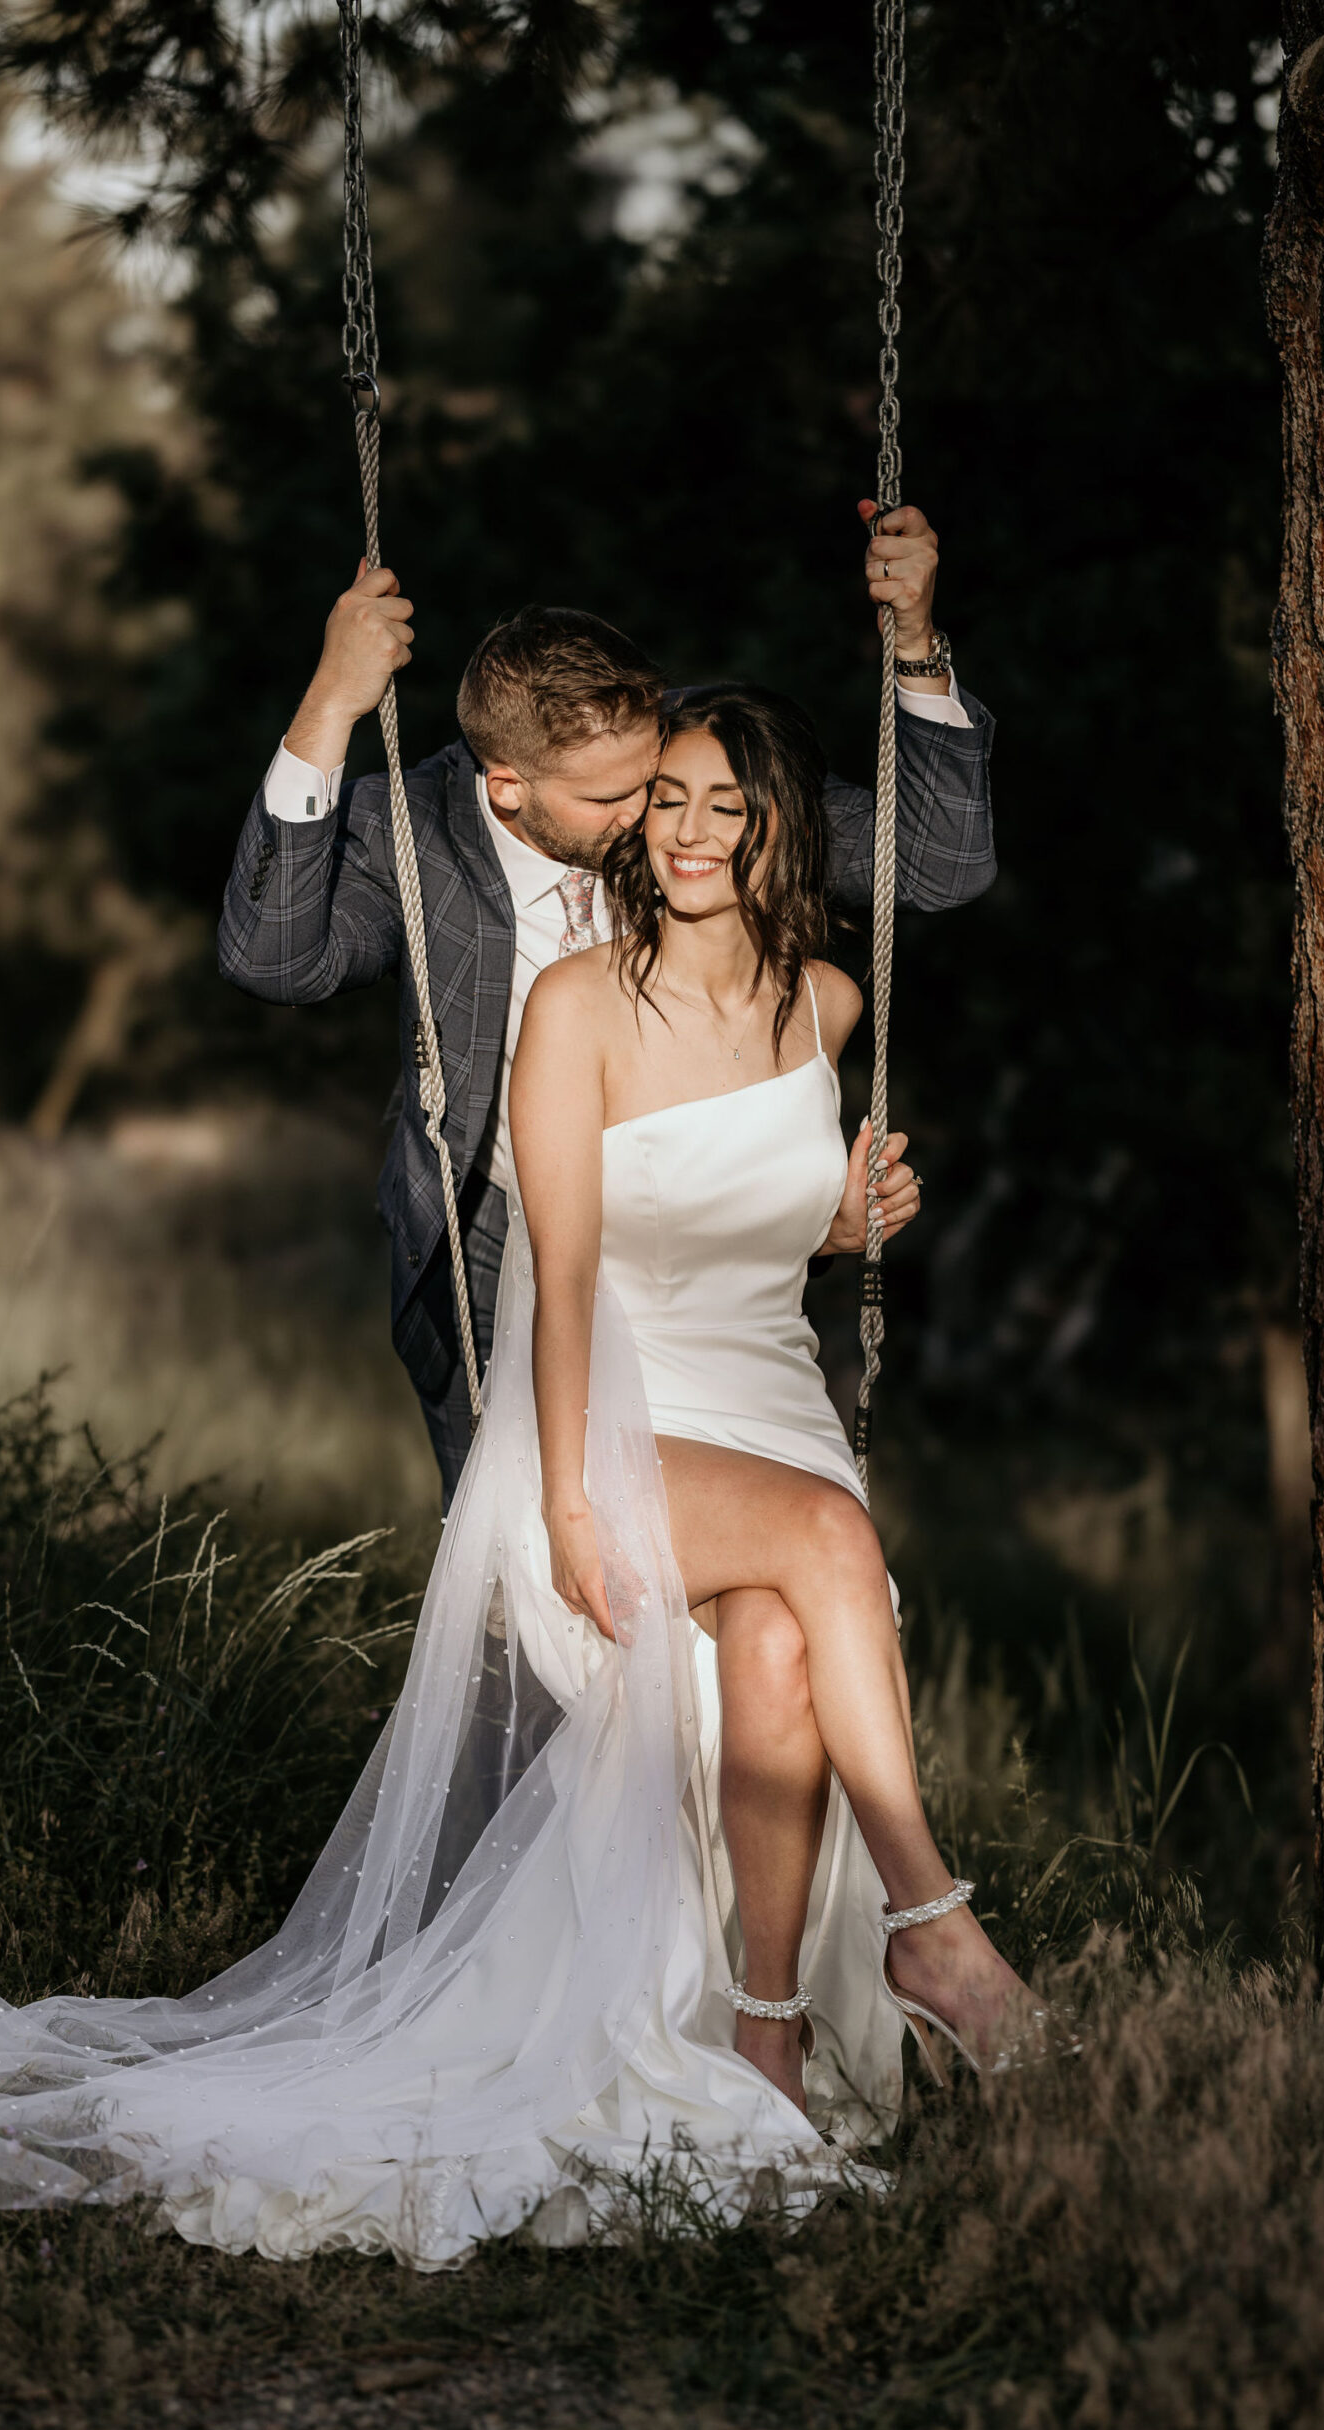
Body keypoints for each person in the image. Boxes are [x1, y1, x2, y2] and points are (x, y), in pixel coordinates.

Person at [0, 669, 1034, 2274]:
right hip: (604, 1417)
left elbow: (745, 1195)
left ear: (778, 832)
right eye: (665, 798)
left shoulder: (828, 1005)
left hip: (772, 1396)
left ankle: (768, 2042)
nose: (687, 830)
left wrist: (833, 1222)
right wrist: (574, 1503)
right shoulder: (580, 1004)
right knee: (819, 1536)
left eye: (726, 807)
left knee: (792, 1640)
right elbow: (574, 1272)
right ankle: (936, 1928)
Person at [218, 510, 991, 2092]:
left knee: (760, 1644)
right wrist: (328, 692)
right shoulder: (421, 836)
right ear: (509, 787)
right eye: (620, 798)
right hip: (509, 1289)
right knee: (574, 1668)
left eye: (671, 784)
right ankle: (579, 2015)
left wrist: (917, 640)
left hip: (722, 1324)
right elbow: (274, 954)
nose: (663, 824)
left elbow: (946, 864)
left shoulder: (696, 814)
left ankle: (751, 2032)